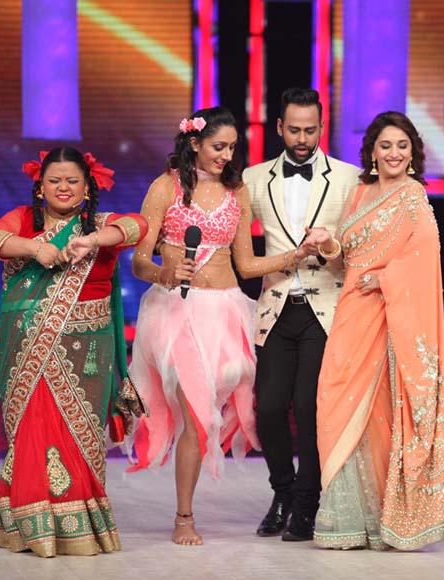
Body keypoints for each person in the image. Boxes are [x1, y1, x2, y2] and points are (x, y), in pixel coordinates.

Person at [125, 106, 317, 546]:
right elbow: (138, 260)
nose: (226, 156)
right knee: (195, 414)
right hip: (177, 313)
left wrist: (297, 255)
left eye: (232, 147)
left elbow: (246, 264)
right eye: (218, 146)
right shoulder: (165, 188)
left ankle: (290, 494)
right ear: (194, 143)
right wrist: (164, 273)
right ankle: (184, 517)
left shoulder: (238, 190)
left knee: (230, 408)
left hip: (227, 311)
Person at [0, 146, 148, 557]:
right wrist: (35, 248)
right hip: (28, 353)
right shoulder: (23, 221)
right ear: (40, 187)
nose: (64, 188)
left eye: (72, 180)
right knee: (35, 431)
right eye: (54, 180)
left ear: (87, 186)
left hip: (86, 353)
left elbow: (138, 226)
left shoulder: (101, 227)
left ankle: (77, 526)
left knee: (77, 434)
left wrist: (91, 240)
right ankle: (29, 527)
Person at [302, 111, 444, 550]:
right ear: (372, 151)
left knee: (381, 413)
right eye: (386, 146)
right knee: (336, 402)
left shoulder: (413, 197)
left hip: (390, 319)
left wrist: (386, 279)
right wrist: (325, 242)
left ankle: (382, 518)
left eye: (402, 146)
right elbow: (342, 257)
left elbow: (426, 257)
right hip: (352, 311)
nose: (394, 154)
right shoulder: (359, 194)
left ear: (413, 153)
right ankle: (348, 516)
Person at [242, 88, 361, 542]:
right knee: (269, 409)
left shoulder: (348, 179)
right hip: (275, 307)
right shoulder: (253, 179)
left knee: (310, 408)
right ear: (278, 127)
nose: (303, 138)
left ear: (322, 127)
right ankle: (283, 492)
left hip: (325, 309)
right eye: (294, 129)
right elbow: (231, 239)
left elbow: (356, 251)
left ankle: (308, 502)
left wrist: (329, 247)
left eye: (311, 129)